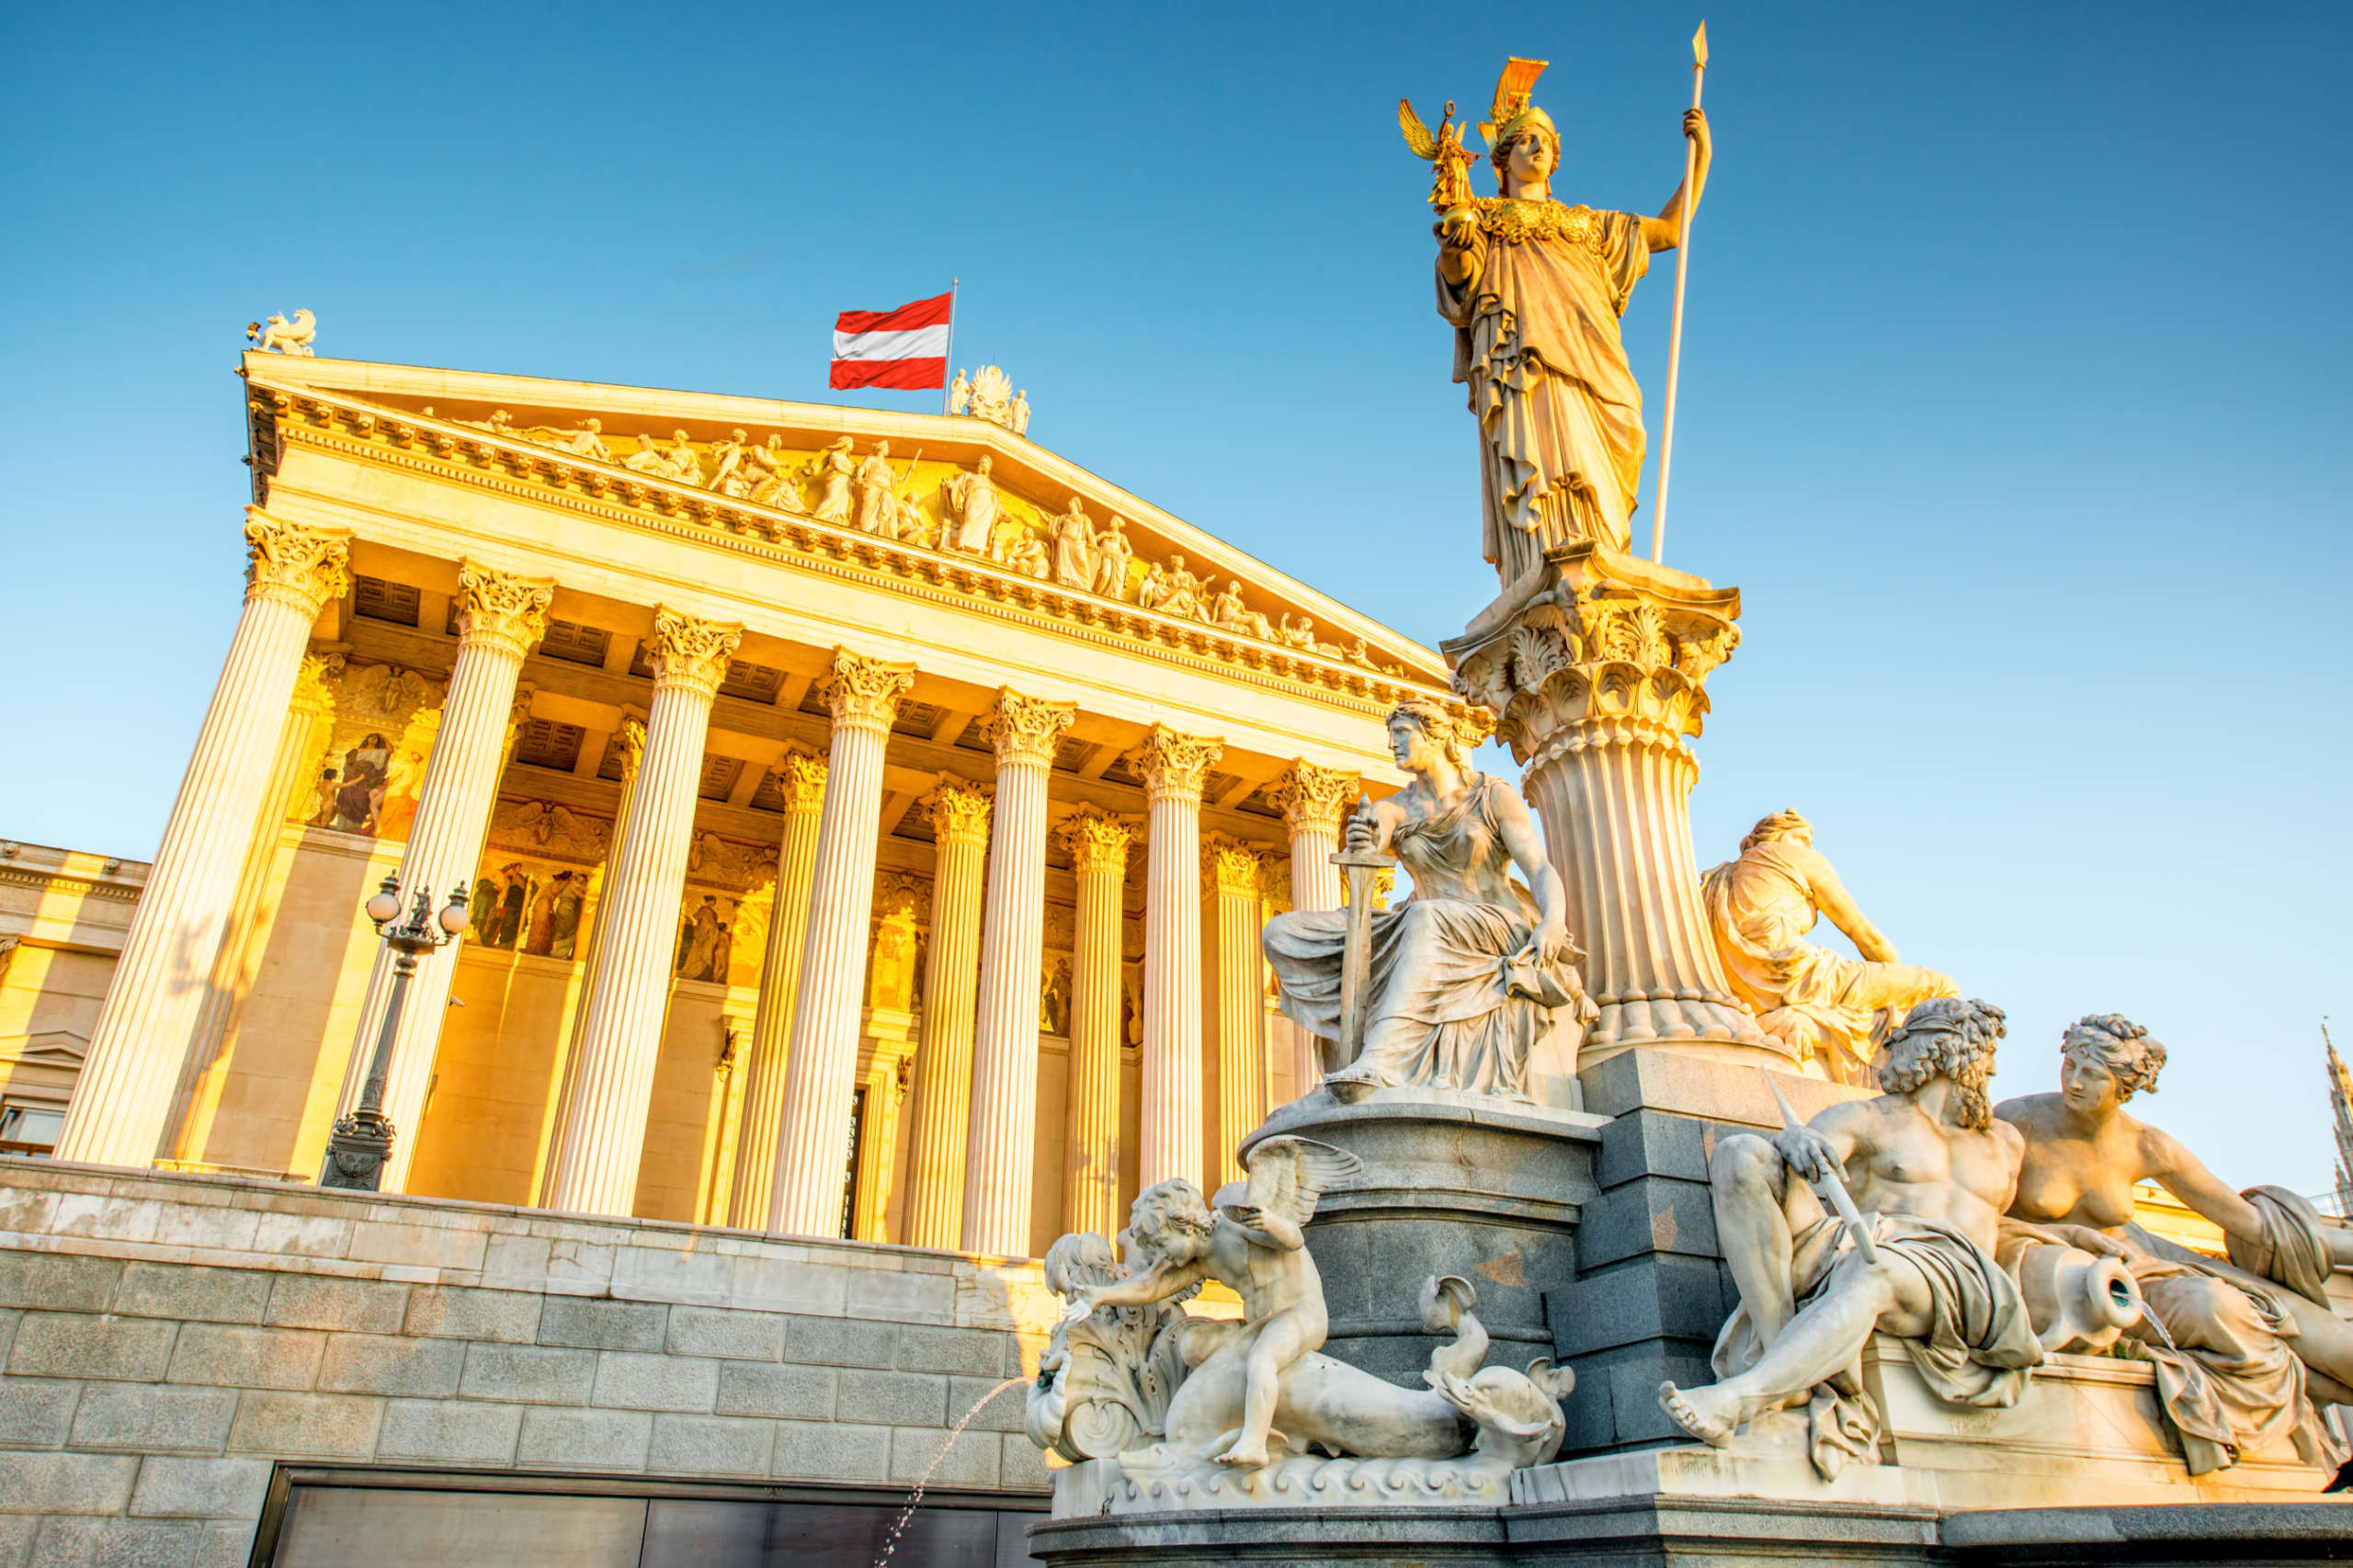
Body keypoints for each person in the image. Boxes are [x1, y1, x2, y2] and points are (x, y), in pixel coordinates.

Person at [1660, 999, 2042, 1476]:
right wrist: (1795, 1142)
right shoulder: (1868, 1118)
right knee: (1741, 1153)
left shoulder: (2004, 1140)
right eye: (1986, 1051)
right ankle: (1788, 1367)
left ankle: (1744, 1395)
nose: (1992, 1067)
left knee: (1874, 1272)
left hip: (1955, 1276)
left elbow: (2024, 1223)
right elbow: (1813, 1159)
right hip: (1867, 1245)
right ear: (1953, 1050)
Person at [1996, 1016, 2351, 1472]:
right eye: (2069, 1066)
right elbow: (1980, 1207)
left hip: (2148, 1263)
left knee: (2337, 1347)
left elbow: (2253, 1225)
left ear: (2125, 1086)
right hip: (2063, 1273)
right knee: (2221, 1309)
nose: (2075, 1083)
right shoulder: (2018, 1120)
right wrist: (2064, 1235)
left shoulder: (2148, 1144)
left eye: (2093, 1076)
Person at [1436, 59, 1711, 577]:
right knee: (1542, 469)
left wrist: (1701, 158)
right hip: (1527, 364)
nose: (1538, 148)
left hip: (1595, 358)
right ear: (1502, 159)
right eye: (1525, 141)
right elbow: (1461, 287)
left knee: (1620, 441)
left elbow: (1672, 231)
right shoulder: (1487, 223)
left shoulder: (1589, 224)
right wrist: (1454, 246)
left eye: (1545, 141)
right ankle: (1547, 568)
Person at [1262, 698, 1589, 1100]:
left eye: (1401, 733)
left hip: (1491, 925)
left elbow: (1538, 868)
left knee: (1425, 917)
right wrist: (1363, 843)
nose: (1392, 745)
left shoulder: (1492, 796)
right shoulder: (1395, 808)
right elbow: (1368, 852)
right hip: (1419, 925)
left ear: (1435, 735)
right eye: (1391, 736)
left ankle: (1384, 1057)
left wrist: (1553, 920)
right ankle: (1354, 1041)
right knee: (1282, 931)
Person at [1701, 811, 1957, 1085]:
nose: (1808, 847)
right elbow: (1863, 934)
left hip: (1746, 995)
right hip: (1801, 976)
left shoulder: (1716, 878)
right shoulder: (1797, 856)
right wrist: (1899, 984)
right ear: (1787, 836)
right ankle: (1938, 1089)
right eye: (1804, 839)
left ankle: (1814, 1024)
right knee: (1939, 988)